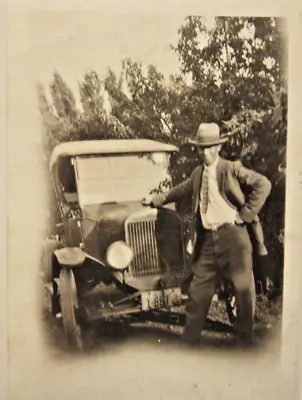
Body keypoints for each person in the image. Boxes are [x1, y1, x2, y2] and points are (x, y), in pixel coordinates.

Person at [143, 123, 271, 345]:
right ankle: (189, 342)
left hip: (234, 239)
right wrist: (157, 199)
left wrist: (246, 214)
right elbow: (180, 190)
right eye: (201, 148)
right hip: (209, 241)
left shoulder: (231, 169)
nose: (205, 152)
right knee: (198, 292)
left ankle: (246, 343)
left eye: (209, 147)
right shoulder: (197, 174)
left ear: (217, 148)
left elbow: (263, 184)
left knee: (243, 292)